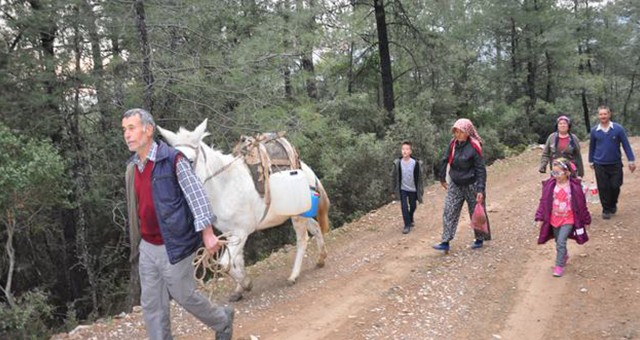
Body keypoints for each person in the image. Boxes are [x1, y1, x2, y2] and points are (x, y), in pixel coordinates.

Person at [122, 108, 234, 340]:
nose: (127, 134)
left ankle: (222, 320)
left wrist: (208, 233)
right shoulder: (132, 167)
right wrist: (138, 243)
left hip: (174, 244)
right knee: (152, 304)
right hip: (148, 246)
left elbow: (197, 195)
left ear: (149, 130)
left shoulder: (173, 160)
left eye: (132, 128)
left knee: (185, 295)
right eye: (125, 130)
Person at [433, 118, 491, 252]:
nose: (457, 134)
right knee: (449, 210)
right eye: (455, 131)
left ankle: (479, 238)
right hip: (456, 183)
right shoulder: (453, 144)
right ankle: (445, 241)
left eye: (460, 132)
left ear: (467, 132)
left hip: (472, 184)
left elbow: (481, 169)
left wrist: (480, 189)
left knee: (476, 212)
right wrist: (442, 177)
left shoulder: (474, 147)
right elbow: (445, 159)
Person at [534, 158, 591, 277]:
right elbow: (543, 202)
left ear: (567, 173)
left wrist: (586, 220)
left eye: (558, 173)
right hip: (554, 219)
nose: (556, 176)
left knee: (561, 241)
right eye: (553, 173)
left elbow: (581, 205)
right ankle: (564, 254)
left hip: (568, 218)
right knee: (557, 240)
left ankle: (559, 266)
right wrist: (539, 218)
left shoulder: (574, 187)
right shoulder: (550, 185)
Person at [588, 105, 636, 220]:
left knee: (615, 186)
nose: (603, 116)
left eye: (605, 114)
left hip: (615, 163)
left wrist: (631, 160)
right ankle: (606, 209)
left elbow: (626, 145)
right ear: (598, 116)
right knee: (603, 187)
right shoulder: (595, 131)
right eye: (601, 114)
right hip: (599, 163)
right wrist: (590, 160)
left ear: (609, 115)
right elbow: (592, 147)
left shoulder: (618, 129)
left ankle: (613, 203)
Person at [391, 141, 424, 234]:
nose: (404, 151)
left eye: (407, 149)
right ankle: (407, 225)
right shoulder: (397, 163)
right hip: (403, 189)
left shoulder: (416, 163)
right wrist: (392, 190)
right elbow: (393, 177)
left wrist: (421, 190)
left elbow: (420, 179)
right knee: (404, 206)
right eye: (403, 149)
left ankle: (410, 217)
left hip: (413, 189)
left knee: (413, 206)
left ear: (410, 151)